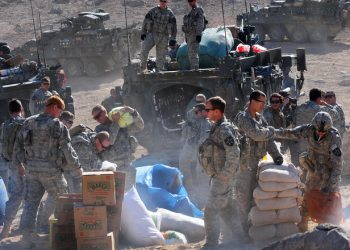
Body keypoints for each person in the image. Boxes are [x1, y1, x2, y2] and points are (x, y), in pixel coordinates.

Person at [13, 96, 81, 248]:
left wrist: (19, 164)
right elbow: (67, 150)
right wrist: (77, 167)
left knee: (30, 204)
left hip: (31, 170)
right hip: (51, 172)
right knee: (63, 198)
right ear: (55, 107)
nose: (60, 114)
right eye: (61, 110)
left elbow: (18, 145)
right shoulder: (57, 125)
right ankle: (67, 234)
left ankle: (26, 238)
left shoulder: (28, 121)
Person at [274, 112, 343, 230]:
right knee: (307, 197)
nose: (321, 133)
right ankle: (303, 224)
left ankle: (326, 228)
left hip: (328, 173)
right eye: (318, 130)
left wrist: (330, 186)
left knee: (328, 201)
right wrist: (273, 132)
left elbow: (337, 166)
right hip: (313, 170)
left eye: (324, 132)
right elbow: (291, 133)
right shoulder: (308, 130)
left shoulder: (334, 138)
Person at [234, 90, 283, 240]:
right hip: (244, 165)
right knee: (243, 199)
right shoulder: (243, 118)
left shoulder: (260, 118)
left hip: (257, 163)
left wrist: (277, 156)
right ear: (253, 102)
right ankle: (242, 234)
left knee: (255, 199)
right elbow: (256, 134)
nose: (265, 105)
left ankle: (255, 230)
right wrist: (270, 131)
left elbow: (267, 140)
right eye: (262, 102)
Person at [198, 96, 240, 247]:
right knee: (227, 209)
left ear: (217, 111)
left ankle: (211, 244)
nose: (205, 112)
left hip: (223, 178)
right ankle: (240, 240)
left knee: (210, 211)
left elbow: (234, 154)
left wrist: (224, 175)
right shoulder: (216, 126)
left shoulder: (224, 129)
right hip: (220, 176)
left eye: (208, 109)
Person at [91, 104, 144, 190]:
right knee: (117, 198)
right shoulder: (99, 129)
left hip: (127, 165)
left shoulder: (122, 123)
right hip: (113, 168)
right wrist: (116, 122)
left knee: (131, 195)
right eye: (95, 118)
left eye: (98, 116)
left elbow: (140, 126)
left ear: (104, 112)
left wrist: (133, 112)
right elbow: (110, 140)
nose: (97, 119)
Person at [292, 88, 339, 167]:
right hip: (314, 143)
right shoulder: (320, 109)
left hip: (301, 142)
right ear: (319, 98)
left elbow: (294, 123)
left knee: (302, 165)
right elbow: (336, 115)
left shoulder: (300, 108)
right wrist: (325, 104)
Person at [0, 99, 26, 239]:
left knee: (15, 196)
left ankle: (6, 228)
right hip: (24, 165)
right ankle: (26, 228)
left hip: (11, 165)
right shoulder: (24, 123)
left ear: (10, 111)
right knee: (31, 196)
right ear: (21, 109)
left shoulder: (5, 125)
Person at [179, 103, 211, 193]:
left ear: (203, 112)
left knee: (201, 171)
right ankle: (189, 187)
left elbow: (204, 139)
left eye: (197, 112)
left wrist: (196, 144)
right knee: (182, 162)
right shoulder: (195, 119)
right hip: (191, 146)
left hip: (201, 150)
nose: (195, 113)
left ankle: (203, 192)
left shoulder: (207, 123)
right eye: (195, 112)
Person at [140, 0, 177, 71]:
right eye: (161, 1)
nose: (163, 3)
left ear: (167, 2)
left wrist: (173, 39)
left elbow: (174, 28)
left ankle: (159, 71)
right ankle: (143, 68)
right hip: (152, 34)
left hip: (164, 36)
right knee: (144, 49)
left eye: (164, 1)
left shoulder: (170, 14)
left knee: (161, 56)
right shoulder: (152, 11)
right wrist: (143, 33)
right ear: (159, 2)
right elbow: (145, 21)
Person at [182, 0, 205, 70]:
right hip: (189, 36)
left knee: (193, 53)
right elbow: (186, 26)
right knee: (190, 53)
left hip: (195, 35)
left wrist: (198, 35)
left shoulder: (199, 11)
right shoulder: (190, 13)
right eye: (189, 1)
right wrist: (186, 36)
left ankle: (195, 69)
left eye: (191, 1)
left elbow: (200, 23)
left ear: (195, 1)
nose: (190, 3)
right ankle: (193, 68)